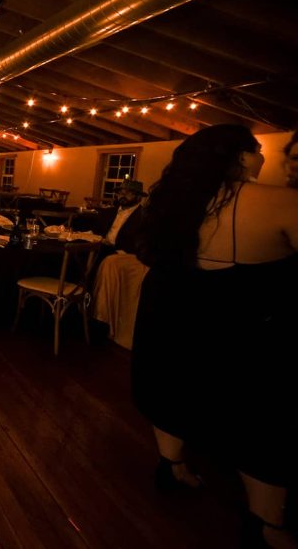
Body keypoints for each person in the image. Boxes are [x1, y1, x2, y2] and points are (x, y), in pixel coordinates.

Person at [132, 124, 298, 548]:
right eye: (258, 151)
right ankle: (267, 522)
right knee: (261, 418)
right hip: (243, 321)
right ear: (240, 157)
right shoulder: (282, 201)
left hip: (169, 309)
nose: (265, 159)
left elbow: (135, 242)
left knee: (171, 388)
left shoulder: (172, 200)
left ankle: (171, 466)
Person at [97, 179, 146, 254]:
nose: (122, 196)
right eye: (120, 193)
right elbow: (97, 231)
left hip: (124, 254)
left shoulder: (144, 216)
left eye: (128, 193)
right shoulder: (108, 212)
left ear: (139, 197)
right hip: (100, 248)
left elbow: (143, 242)